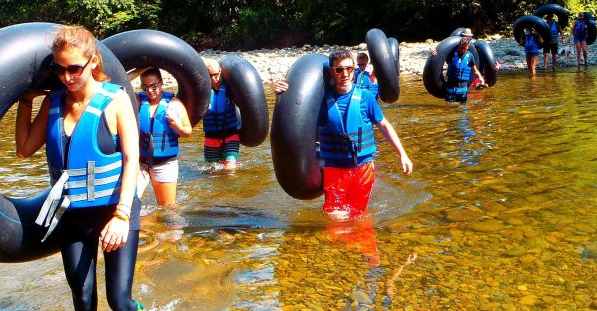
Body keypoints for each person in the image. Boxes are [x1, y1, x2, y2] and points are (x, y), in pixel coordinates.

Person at [15, 25, 153, 311]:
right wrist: (25, 102)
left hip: (114, 212)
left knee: (119, 302)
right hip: (71, 215)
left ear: (92, 61)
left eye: (74, 68)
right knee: (83, 304)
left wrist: (121, 215)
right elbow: (24, 150)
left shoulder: (115, 99)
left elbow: (133, 159)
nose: (67, 77)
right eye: (59, 69)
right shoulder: (54, 102)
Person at [274, 47, 413, 218]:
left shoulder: (365, 97)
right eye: (339, 69)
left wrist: (402, 154)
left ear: (353, 69)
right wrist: (281, 96)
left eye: (348, 68)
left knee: (358, 217)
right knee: (336, 218)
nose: (345, 74)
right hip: (334, 169)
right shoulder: (322, 102)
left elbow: (384, 125)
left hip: (363, 168)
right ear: (332, 72)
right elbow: (296, 121)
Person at [136, 68, 191, 206]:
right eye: (145, 86)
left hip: (164, 163)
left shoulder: (174, 103)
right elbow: (116, 84)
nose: (149, 90)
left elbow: (187, 132)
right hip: (140, 163)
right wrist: (139, 70)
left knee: (167, 208)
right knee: (130, 203)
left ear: (161, 83)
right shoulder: (137, 100)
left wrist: (177, 126)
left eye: (153, 86)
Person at [202, 58, 241, 169]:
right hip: (211, 136)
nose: (215, 79)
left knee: (230, 169)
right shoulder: (202, 92)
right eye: (210, 76)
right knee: (212, 171)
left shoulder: (231, 88)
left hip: (231, 134)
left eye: (216, 74)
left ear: (220, 71)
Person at [429, 29, 486, 103]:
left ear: (468, 47)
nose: (463, 50)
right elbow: (439, 53)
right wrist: (432, 49)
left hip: (463, 84)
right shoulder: (452, 54)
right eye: (462, 48)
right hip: (451, 83)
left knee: (463, 104)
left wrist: (481, 78)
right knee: (449, 103)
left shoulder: (470, 56)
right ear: (459, 46)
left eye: (465, 48)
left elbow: (474, 69)